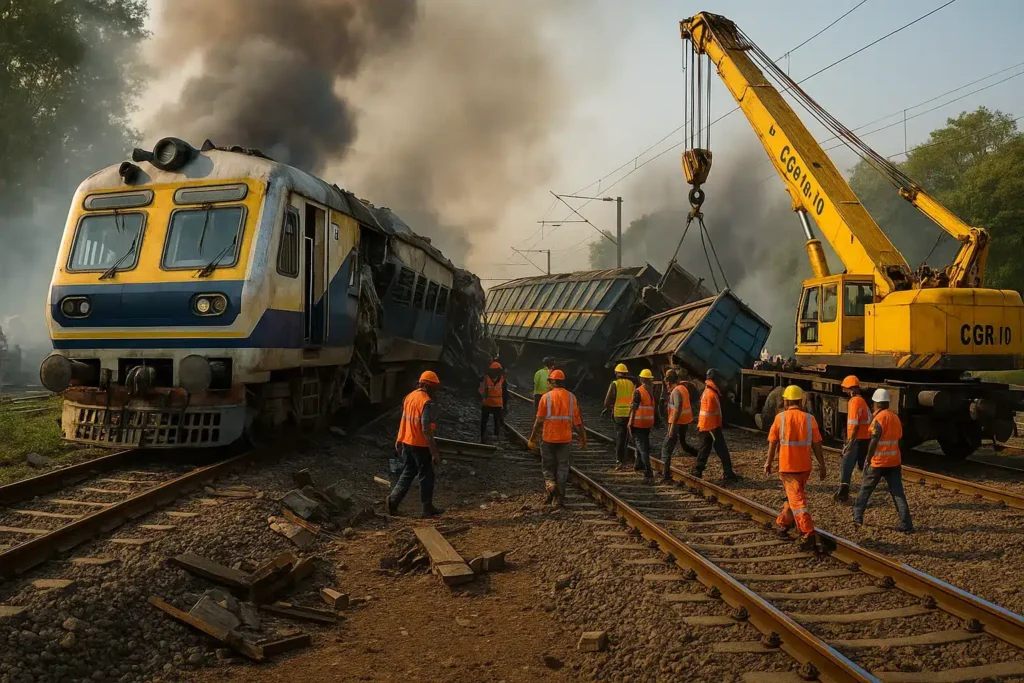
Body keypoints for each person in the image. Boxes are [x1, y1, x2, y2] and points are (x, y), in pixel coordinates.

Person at [764, 385, 827, 551]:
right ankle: (782, 524)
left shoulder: (780, 418)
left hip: (787, 467)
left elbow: (773, 443)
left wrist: (768, 462)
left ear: (785, 401)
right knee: (795, 497)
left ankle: (807, 533)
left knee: (798, 501)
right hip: (804, 467)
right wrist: (822, 465)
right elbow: (817, 444)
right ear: (801, 401)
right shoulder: (810, 419)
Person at [853, 389, 914, 533]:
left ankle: (857, 517)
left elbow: (874, 441)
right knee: (898, 493)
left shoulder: (878, 419)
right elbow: (899, 437)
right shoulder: (895, 417)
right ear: (887, 403)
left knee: (865, 490)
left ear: (876, 404)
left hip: (878, 462)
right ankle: (906, 524)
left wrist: (867, 459)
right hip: (894, 462)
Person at [386, 371, 444, 518]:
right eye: (435, 387)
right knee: (427, 474)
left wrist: (399, 439)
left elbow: (404, 420)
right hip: (420, 444)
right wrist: (434, 452)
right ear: (428, 385)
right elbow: (425, 429)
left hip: (407, 442)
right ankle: (427, 508)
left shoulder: (409, 397)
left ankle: (393, 500)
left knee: (409, 471)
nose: (435, 391)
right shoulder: (426, 402)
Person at [528, 369, 586, 506]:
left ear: (551, 382)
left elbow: (539, 421)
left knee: (548, 466)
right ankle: (558, 498)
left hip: (548, 438)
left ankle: (551, 485)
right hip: (565, 439)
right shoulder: (572, 398)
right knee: (562, 468)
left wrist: (532, 437)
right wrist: (582, 437)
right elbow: (577, 422)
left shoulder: (546, 397)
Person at [692, 368, 738, 482]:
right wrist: (713, 429)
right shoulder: (711, 394)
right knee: (720, 450)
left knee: (706, 449)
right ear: (715, 379)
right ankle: (727, 473)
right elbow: (708, 413)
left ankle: (698, 471)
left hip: (709, 426)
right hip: (710, 427)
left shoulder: (709, 391)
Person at [834, 375, 871, 502]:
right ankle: (865, 493)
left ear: (851, 389)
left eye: (846, 389)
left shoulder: (854, 402)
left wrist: (850, 442)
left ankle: (843, 493)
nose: (846, 391)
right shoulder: (862, 401)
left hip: (857, 439)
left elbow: (855, 425)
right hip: (864, 438)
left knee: (847, 464)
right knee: (863, 466)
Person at [661, 369, 699, 482]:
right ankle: (699, 456)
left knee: (666, 449)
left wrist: (672, 426)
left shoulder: (676, 391)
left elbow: (677, 408)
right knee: (683, 444)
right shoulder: (683, 388)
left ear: (668, 381)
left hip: (677, 423)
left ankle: (666, 476)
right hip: (684, 422)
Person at [602, 363, 635, 471]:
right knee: (625, 436)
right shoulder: (631, 384)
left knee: (620, 436)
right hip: (629, 414)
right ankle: (624, 458)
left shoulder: (615, 384)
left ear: (616, 373)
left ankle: (619, 460)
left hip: (619, 414)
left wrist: (606, 408)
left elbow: (607, 400)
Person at [628, 369, 657, 483]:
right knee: (641, 444)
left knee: (642, 447)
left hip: (638, 423)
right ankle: (638, 464)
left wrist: (630, 422)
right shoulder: (650, 392)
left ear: (641, 379)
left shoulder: (638, 391)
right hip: (647, 423)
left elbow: (634, 408)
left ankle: (648, 472)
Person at [479, 361, 508, 444]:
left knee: (496, 421)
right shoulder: (485, 379)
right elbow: (481, 391)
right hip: (488, 404)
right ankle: (483, 436)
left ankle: (495, 436)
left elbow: (505, 393)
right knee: (486, 421)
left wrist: (505, 405)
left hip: (495, 404)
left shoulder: (502, 380)